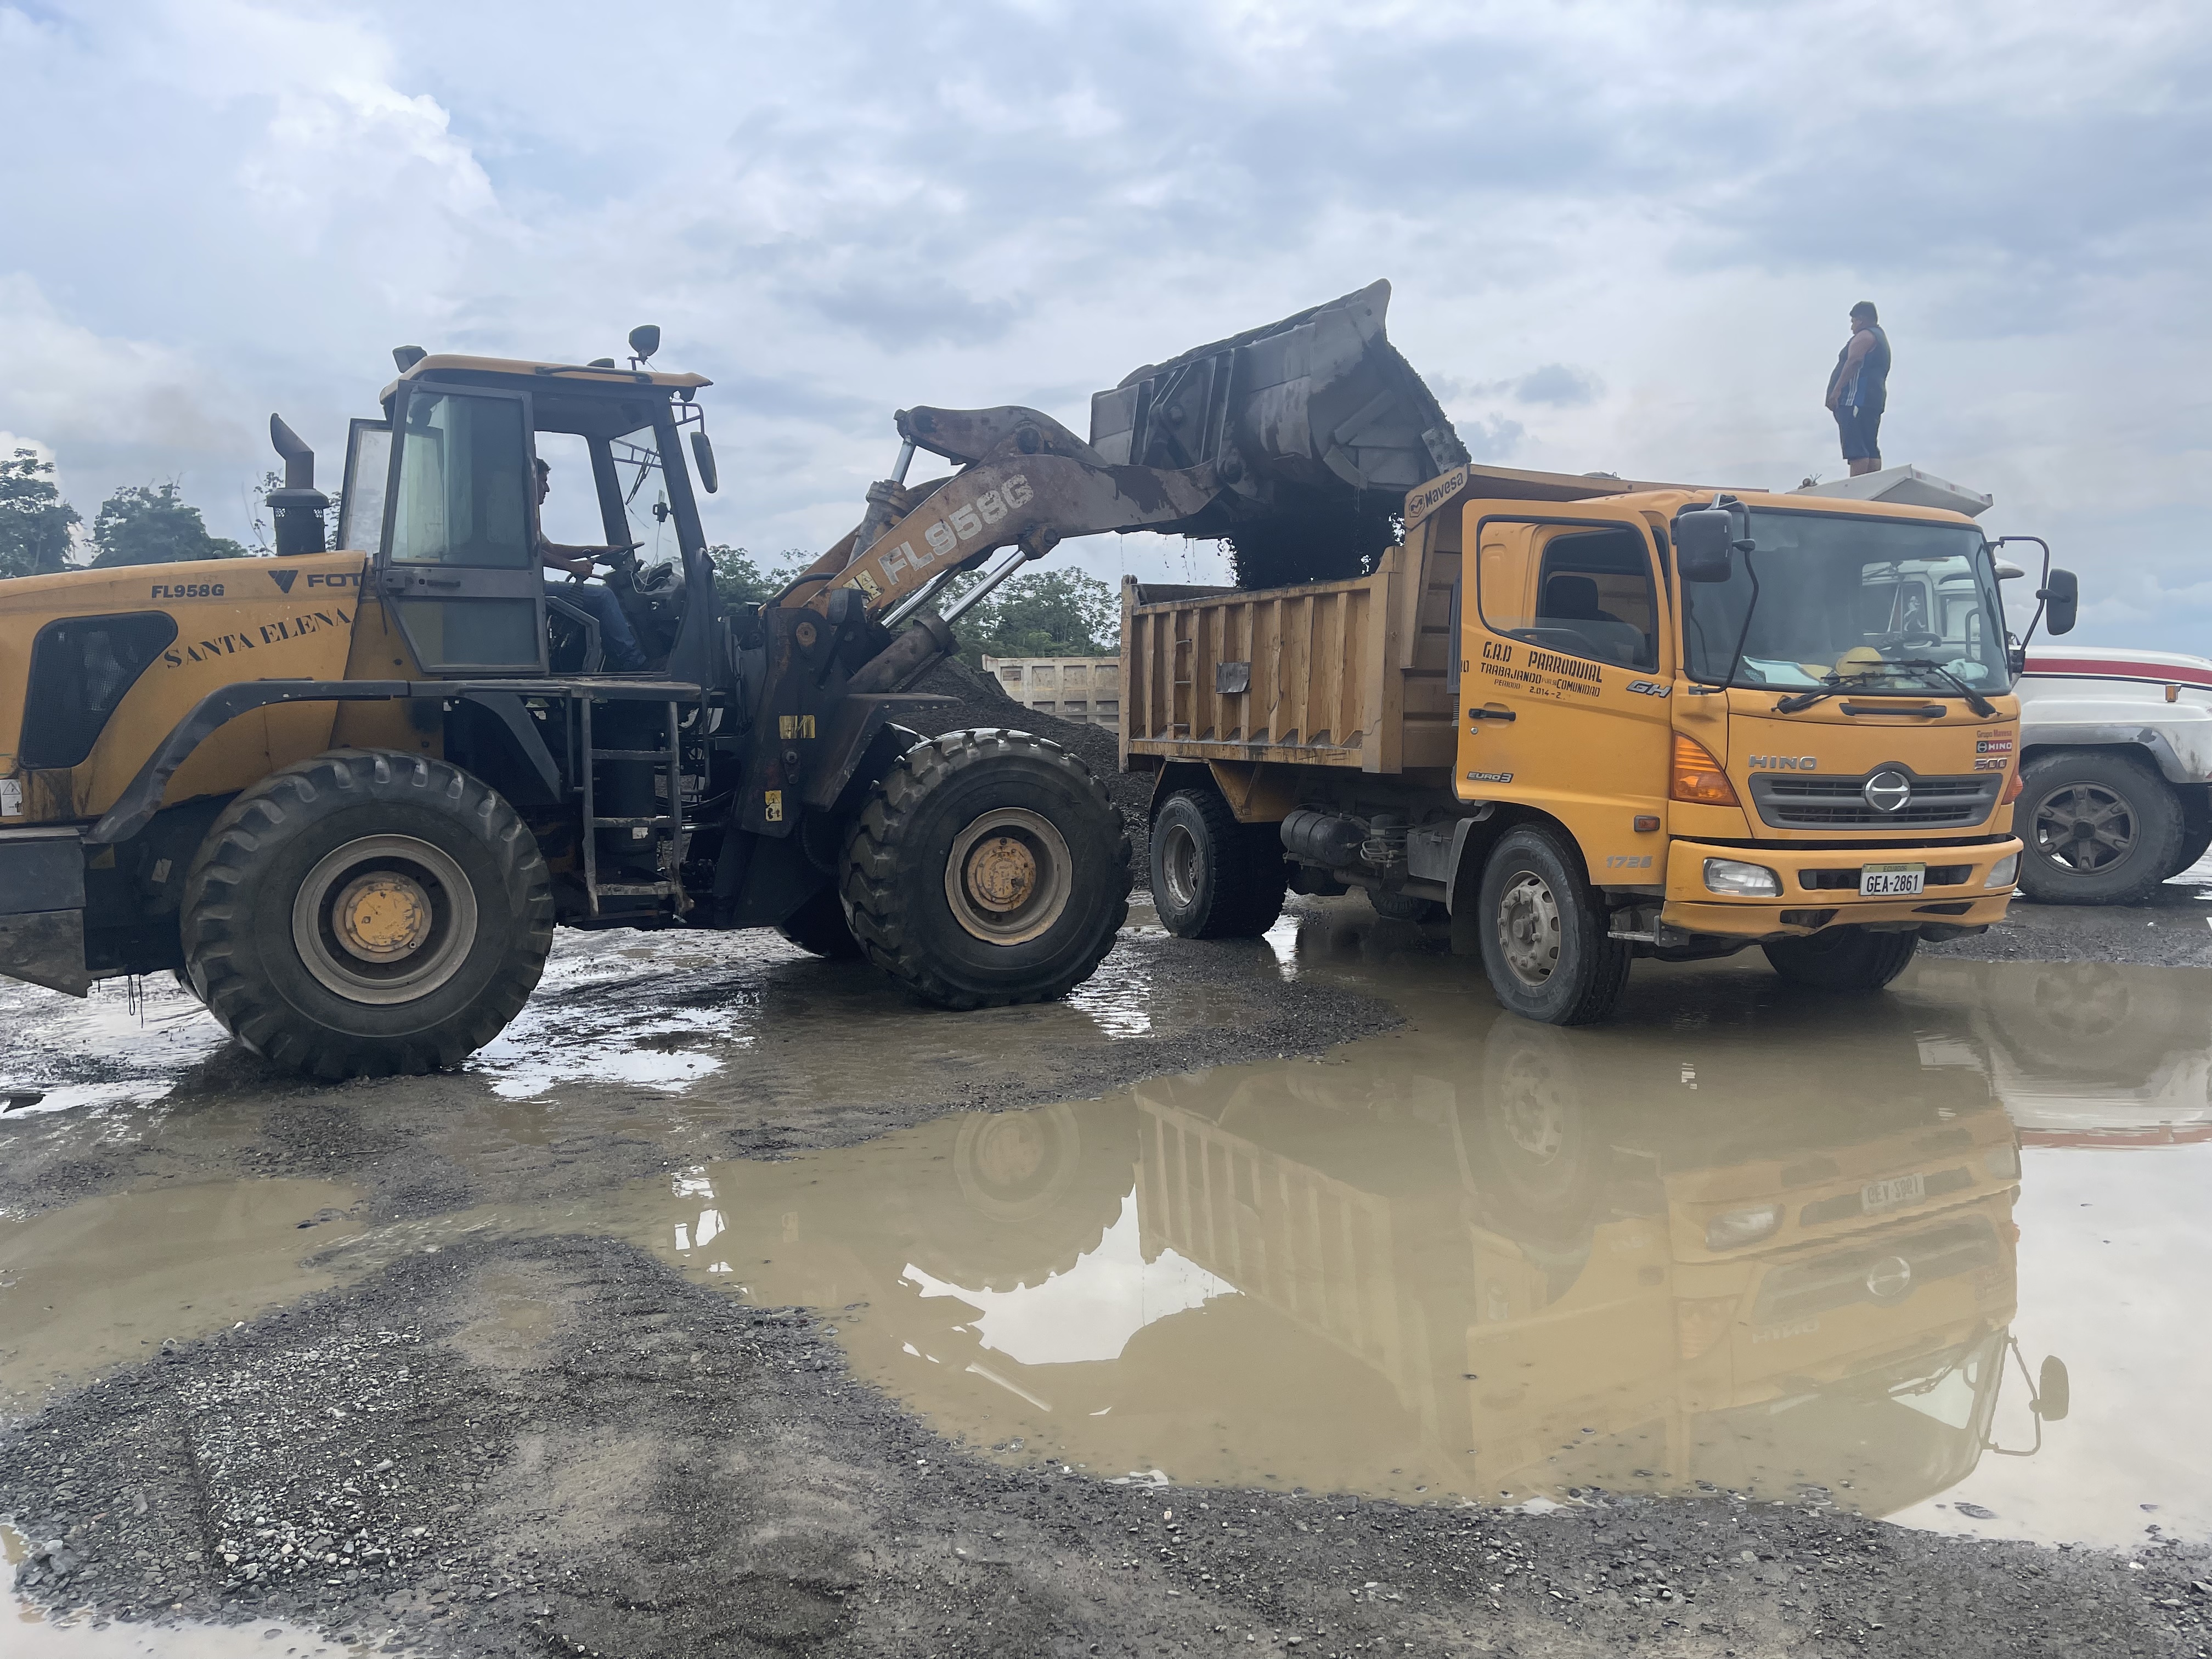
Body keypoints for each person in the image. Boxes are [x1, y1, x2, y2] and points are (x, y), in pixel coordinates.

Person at [535, 459, 649, 672]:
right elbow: (529, 554)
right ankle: (633, 663)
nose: (547, 488)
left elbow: (551, 550)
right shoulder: (514, 514)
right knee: (603, 597)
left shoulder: (524, 516)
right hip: (527, 589)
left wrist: (601, 550)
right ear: (530, 479)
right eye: (543, 481)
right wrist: (572, 567)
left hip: (529, 587)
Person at [1825, 301, 1891, 477]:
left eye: (1853, 322)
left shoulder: (1865, 336)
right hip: (1872, 400)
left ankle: (1857, 489)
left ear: (1861, 320)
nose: (1852, 327)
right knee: (1870, 447)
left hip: (1855, 400)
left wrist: (1837, 391)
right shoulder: (1880, 337)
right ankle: (1872, 487)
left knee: (1857, 449)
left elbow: (1854, 361)